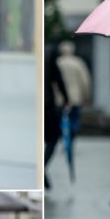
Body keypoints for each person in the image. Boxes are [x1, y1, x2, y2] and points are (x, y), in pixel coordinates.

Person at [44, 43, 67, 190]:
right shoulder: (49, 52)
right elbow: (58, 78)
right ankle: (42, 167)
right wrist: (67, 99)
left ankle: (41, 168)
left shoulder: (47, 53)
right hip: (47, 104)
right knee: (52, 138)